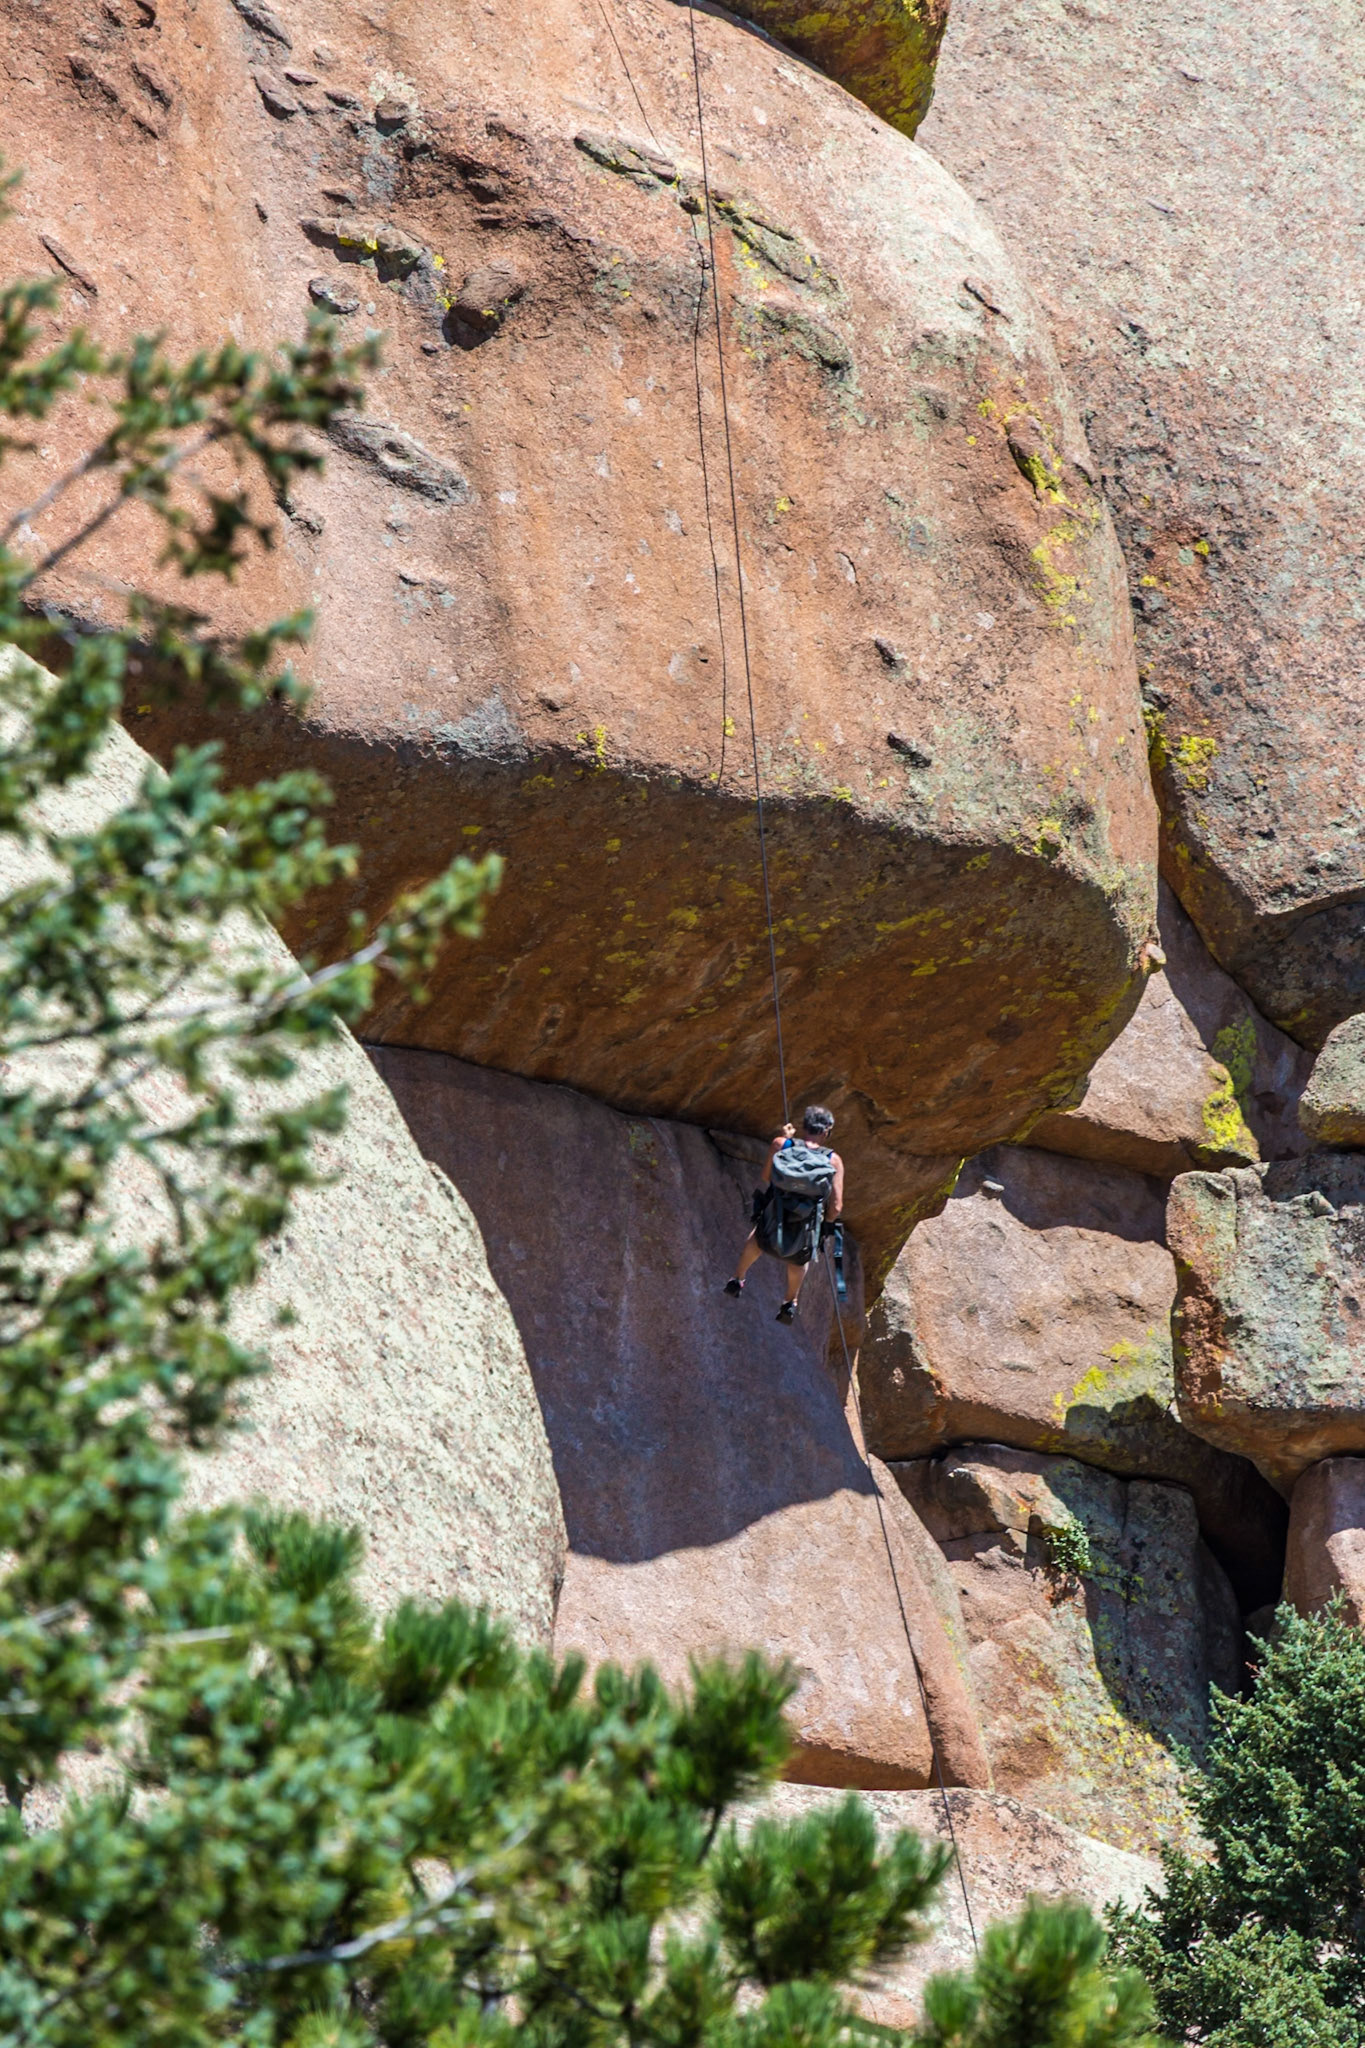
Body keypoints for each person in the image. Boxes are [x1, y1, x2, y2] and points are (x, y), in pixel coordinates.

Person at [723, 1105, 843, 1324]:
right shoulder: (833, 1161)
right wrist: (826, 1226)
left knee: (758, 1239)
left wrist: (785, 1139)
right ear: (826, 1132)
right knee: (798, 1260)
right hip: (806, 1221)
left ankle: (737, 1278)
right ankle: (789, 1303)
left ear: (804, 1126)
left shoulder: (781, 1144)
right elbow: (836, 1207)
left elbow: (767, 1176)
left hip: (776, 1210)